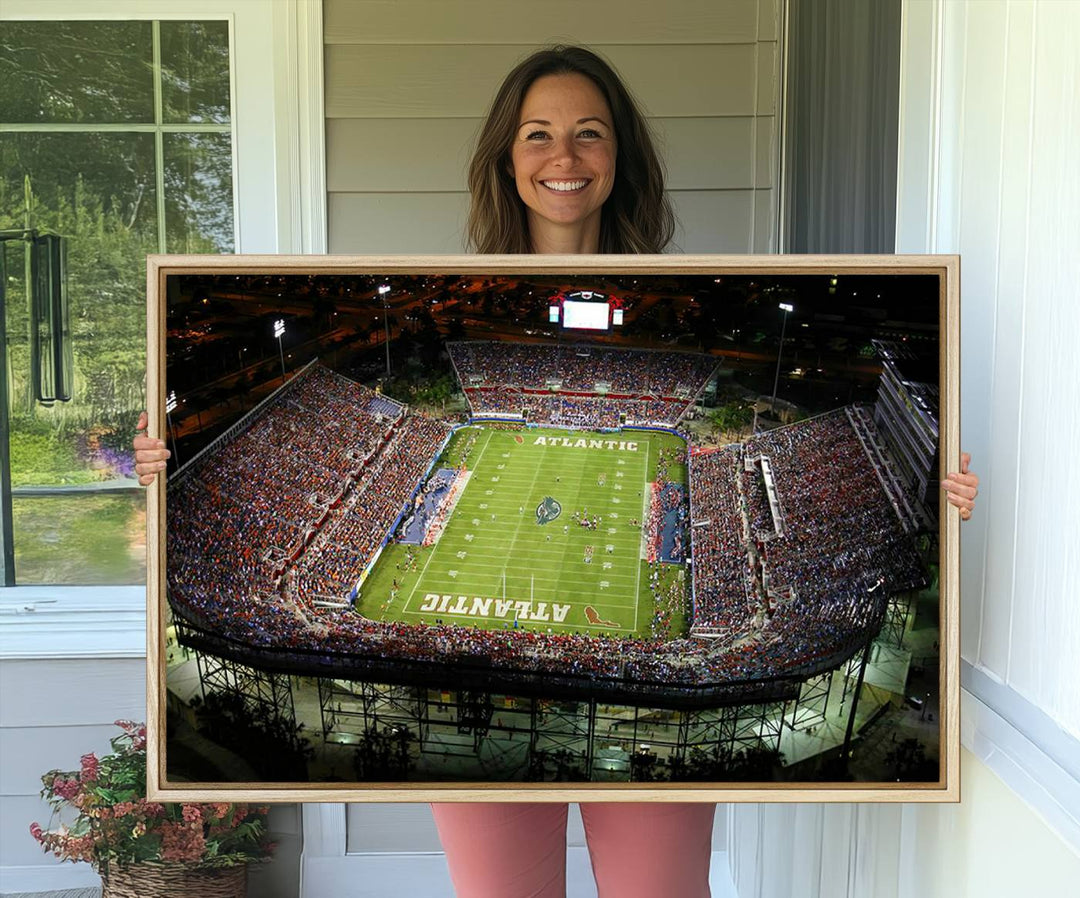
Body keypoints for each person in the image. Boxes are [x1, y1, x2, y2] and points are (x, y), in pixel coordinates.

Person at [134, 44, 980, 898]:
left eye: (589, 134)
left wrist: (932, 498)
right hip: (485, 728)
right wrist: (159, 471)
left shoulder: (678, 295)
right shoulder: (455, 285)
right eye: (538, 134)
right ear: (507, 157)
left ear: (621, 158)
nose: (563, 157)